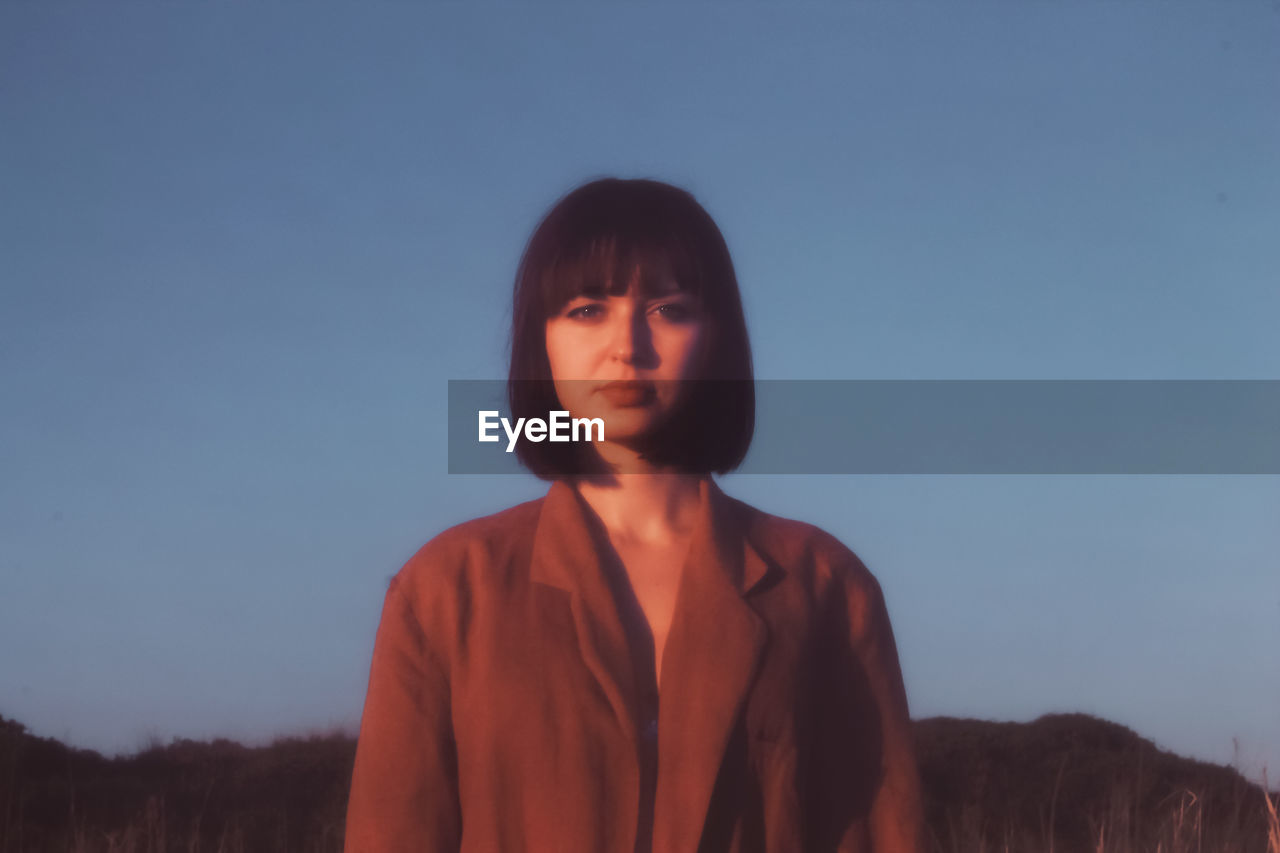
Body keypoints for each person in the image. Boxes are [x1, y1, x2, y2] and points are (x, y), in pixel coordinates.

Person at [343, 177, 925, 852]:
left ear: (718, 337)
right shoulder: (445, 590)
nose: (627, 345)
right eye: (588, 309)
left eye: (669, 308)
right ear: (542, 341)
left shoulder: (825, 584)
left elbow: (884, 834)